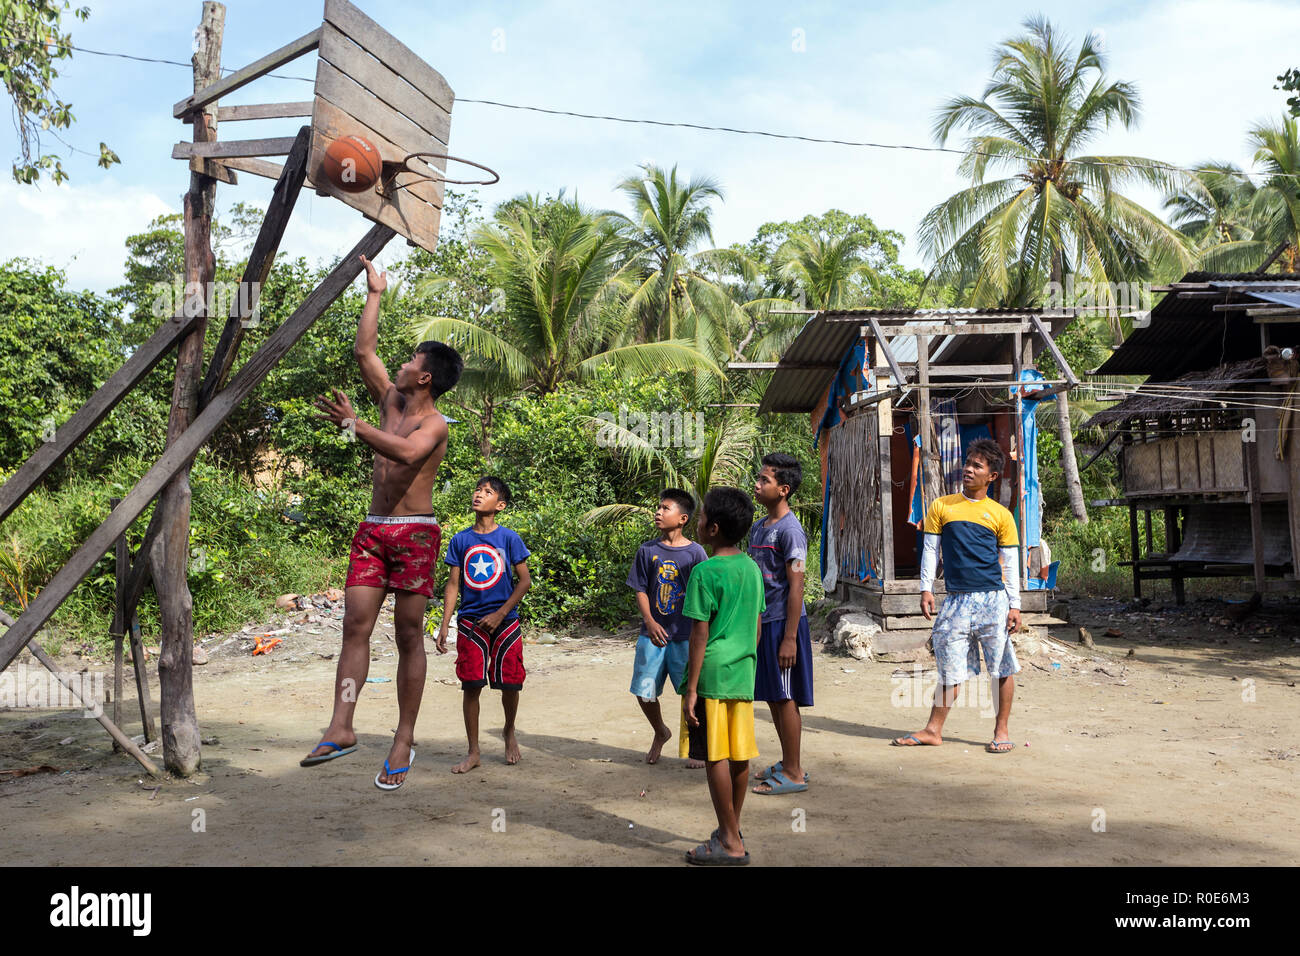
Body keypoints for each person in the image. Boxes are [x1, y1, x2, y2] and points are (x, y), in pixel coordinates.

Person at [302, 254, 463, 792]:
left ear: (426, 376)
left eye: (411, 359)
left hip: (416, 533)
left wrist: (355, 425)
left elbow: (401, 450)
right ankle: (341, 727)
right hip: (373, 529)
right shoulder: (392, 399)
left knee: (409, 633)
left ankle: (403, 738)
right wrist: (375, 292)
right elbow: (363, 350)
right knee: (354, 627)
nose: (399, 364)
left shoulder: (434, 424)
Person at [892, 438, 1022, 753]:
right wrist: (925, 587)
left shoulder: (1001, 515)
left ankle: (1001, 730)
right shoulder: (942, 506)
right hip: (957, 600)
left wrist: (1015, 605)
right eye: (967, 462)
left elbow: (1011, 562)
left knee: (1001, 668)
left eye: (977, 465)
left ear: (991, 476)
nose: (968, 469)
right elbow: (930, 550)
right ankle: (933, 730)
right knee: (950, 665)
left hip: (993, 600)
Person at [679, 487, 765, 865]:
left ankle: (730, 840)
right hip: (743, 673)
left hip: (712, 675)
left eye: (699, 518)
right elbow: (757, 626)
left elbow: (699, 634)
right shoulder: (752, 568)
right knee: (739, 755)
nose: (697, 524)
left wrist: (691, 688)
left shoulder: (703, 572)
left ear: (712, 529)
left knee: (715, 756)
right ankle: (732, 828)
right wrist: (746, 659)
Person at [437, 476, 532, 773]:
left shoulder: (509, 539)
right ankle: (474, 751)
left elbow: (524, 581)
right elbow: (453, 585)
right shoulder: (461, 540)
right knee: (471, 685)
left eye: (487, 492)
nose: (479, 494)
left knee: (510, 683)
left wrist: (501, 613)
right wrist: (445, 624)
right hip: (470, 622)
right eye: (477, 489)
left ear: (500, 505)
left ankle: (509, 731)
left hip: (505, 622)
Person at [626, 489, 709, 766]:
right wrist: (650, 622)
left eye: (665, 508)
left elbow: (704, 593)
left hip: (685, 636)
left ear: (683, 518)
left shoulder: (696, 553)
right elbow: (640, 589)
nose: (658, 512)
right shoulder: (647, 550)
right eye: (658, 507)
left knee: (690, 693)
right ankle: (660, 731)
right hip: (652, 636)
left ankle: (695, 748)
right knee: (644, 690)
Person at [749, 452, 812, 796]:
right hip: (765, 623)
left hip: (785, 625)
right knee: (774, 696)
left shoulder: (791, 532)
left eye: (764, 480)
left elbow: (797, 584)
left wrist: (790, 637)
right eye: (758, 479)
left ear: (784, 489)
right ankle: (788, 760)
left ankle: (794, 771)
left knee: (786, 696)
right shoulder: (760, 526)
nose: (757, 485)